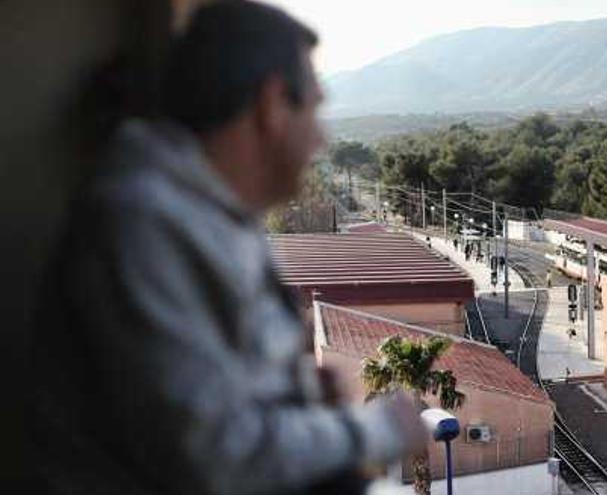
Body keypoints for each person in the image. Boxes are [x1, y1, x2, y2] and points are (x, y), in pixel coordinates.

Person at [29, 2, 424, 494]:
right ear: (273, 105)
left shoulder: (207, 213)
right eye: (314, 108)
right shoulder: (143, 221)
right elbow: (220, 457)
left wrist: (296, 397)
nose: (321, 138)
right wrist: (376, 429)